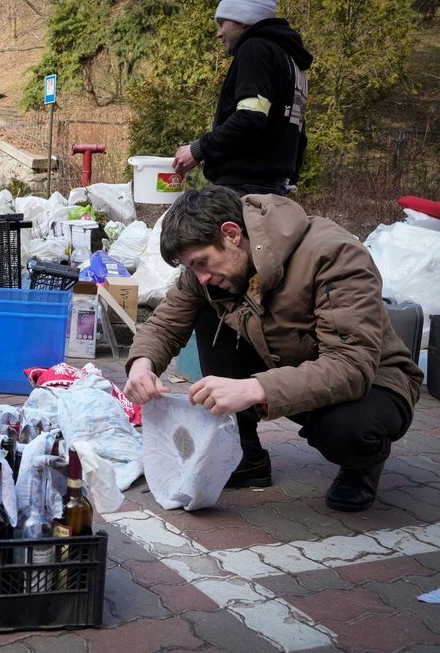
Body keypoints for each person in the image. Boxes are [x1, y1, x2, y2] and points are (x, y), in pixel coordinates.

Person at [124, 187, 422, 512]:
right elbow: (167, 321)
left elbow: (350, 367)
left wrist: (255, 388)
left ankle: (361, 466)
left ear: (231, 233)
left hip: (374, 381)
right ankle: (246, 456)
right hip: (288, 363)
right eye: (191, 268)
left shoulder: (333, 255)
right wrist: (143, 363)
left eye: (202, 263)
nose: (202, 276)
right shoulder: (210, 269)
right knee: (207, 308)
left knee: (345, 430)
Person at [172, 0, 312, 197]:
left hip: (242, 190)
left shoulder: (255, 49)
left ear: (244, 20)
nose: (219, 34)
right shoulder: (292, 62)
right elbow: (299, 133)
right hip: (274, 191)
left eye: (222, 24)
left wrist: (198, 150)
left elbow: (250, 118)